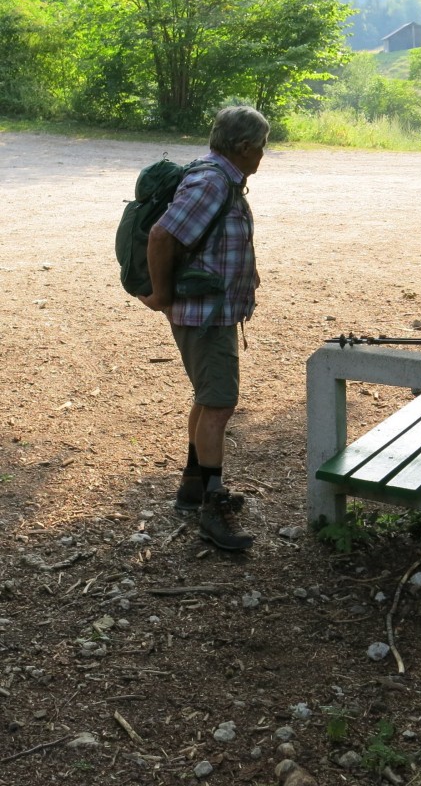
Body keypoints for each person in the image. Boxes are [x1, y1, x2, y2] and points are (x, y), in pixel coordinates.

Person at [139, 105, 270, 552]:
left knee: (206, 398)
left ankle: (193, 488)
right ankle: (213, 509)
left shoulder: (219, 177)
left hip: (211, 314)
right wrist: (161, 296)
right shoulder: (213, 181)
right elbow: (162, 235)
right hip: (204, 317)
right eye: (262, 147)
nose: (263, 156)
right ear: (244, 147)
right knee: (218, 405)